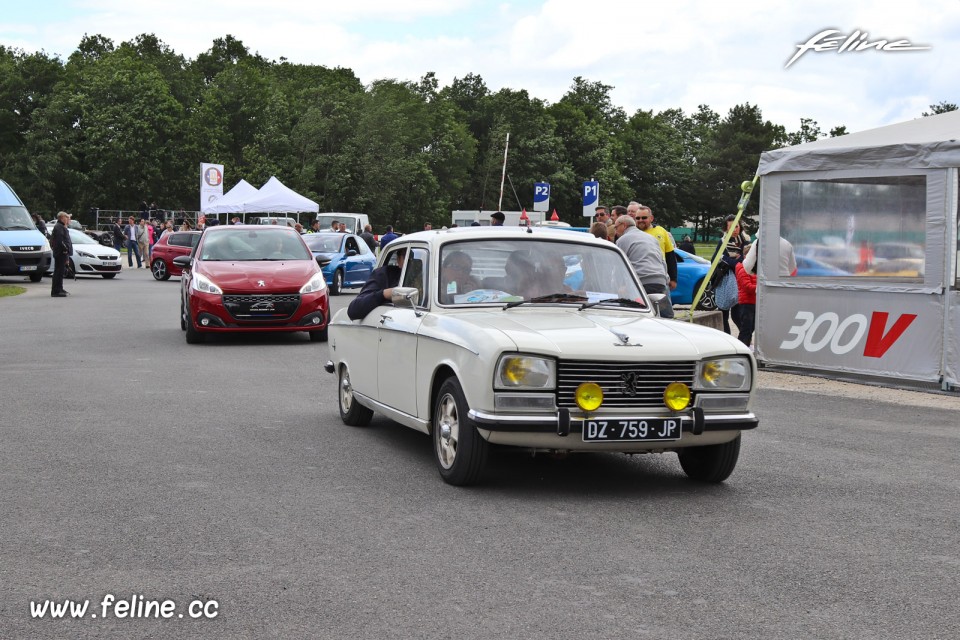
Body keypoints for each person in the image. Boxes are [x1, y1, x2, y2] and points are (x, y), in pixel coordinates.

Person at [614, 215, 672, 317]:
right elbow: (662, 261)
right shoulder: (651, 238)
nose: (615, 231)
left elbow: (619, 265)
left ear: (623, 225)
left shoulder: (622, 240)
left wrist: (618, 286)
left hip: (641, 280)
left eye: (616, 227)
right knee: (662, 313)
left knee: (632, 312)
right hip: (660, 280)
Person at [711, 214, 750, 334]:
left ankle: (745, 339)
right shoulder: (723, 242)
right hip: (726, 282)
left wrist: (726, 259)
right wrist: (734, 260)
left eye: (737, 226)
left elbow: (746, 262)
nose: (735, 229)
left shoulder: (746, 241)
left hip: (742, 282)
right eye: (731, 227)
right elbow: (714, 260)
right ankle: (727, 339)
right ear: (726, 229)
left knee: (737, 315)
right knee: (723, 314)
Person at [347, 247, 406, 320]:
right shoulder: (385, 275)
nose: (411, 262)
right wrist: (384, 294)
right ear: (399, 259)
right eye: (406, 257)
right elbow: (354, 310)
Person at [735, 243, 757, 346]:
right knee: (746, 329)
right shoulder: (742, 268)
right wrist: (760, 288)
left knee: (751, 327)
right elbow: (747, 287)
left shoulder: (754, 269)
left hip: (753, 302)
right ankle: (741, 347)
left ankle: (745, 345)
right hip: (746, 303)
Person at [50, 212, 73, 297]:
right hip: (60, 253)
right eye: (66, 218)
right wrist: (65, 249)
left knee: (60, 272)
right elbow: (60, 241)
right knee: (58, 272)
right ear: (62, 218)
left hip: (61, 252)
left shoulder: (61, 227)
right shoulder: (59, 227)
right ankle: (56, 291)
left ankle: (60, 288)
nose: (67, 219)